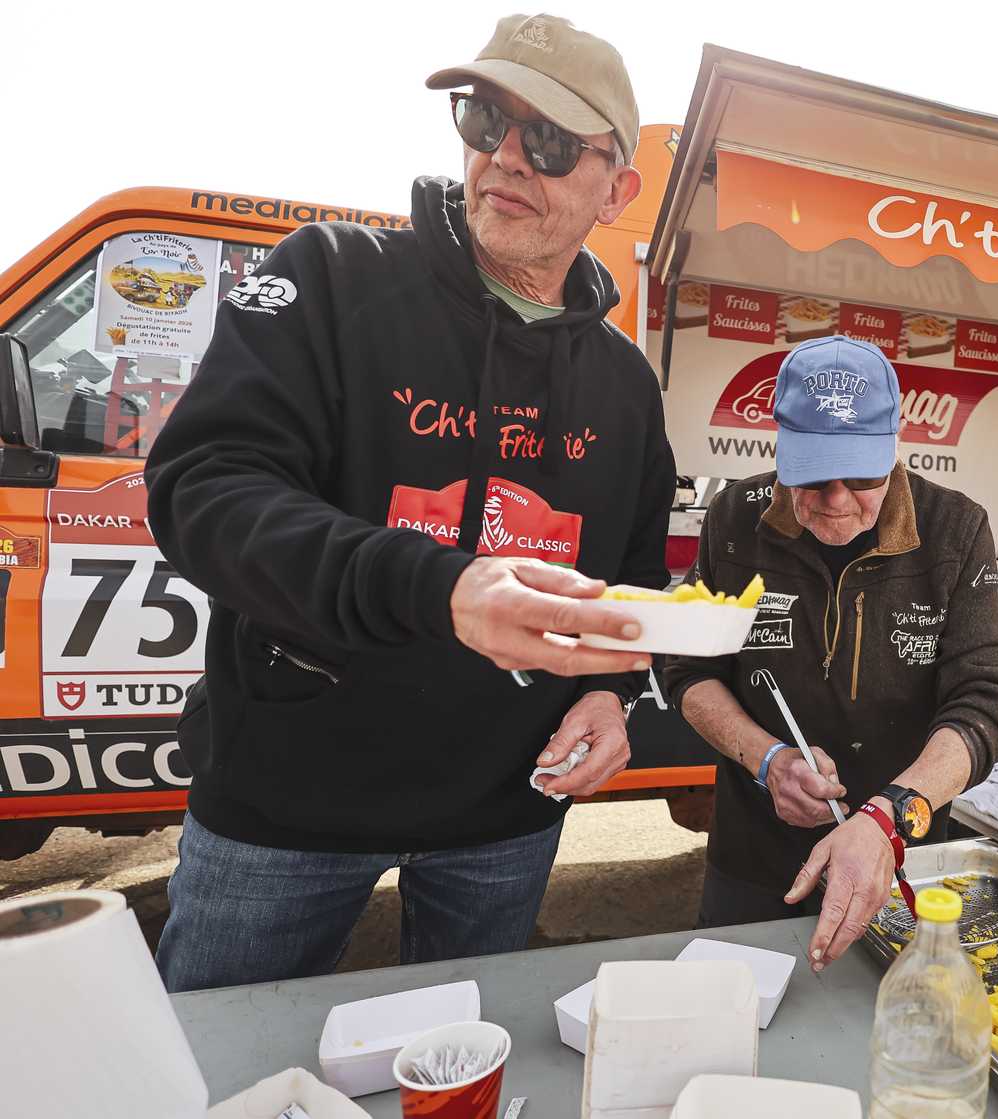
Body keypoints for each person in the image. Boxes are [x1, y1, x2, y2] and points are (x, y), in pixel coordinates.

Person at [144, 14, 676, 992]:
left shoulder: (622, 382)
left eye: (551, 141)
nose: (508, 157)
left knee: (456, 1066)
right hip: (286, 809)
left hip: (505, 819)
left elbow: (636, 579)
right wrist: (442, 590)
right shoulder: (326, 275)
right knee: (211, 1072)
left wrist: (610, 692)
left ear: (619, 188)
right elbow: (203, 490)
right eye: (484, 120)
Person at [663, 336, 998, 971]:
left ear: (894, 450)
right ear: (780, 445)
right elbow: (688, 667)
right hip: (752, 857)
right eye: (810, 475)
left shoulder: (956, 529)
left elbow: (986, 701)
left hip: (898, 855)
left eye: (861, 478)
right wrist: (767, 759)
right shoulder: (734, 518)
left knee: (881, 1028)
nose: (835, 501)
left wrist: (890, 815)